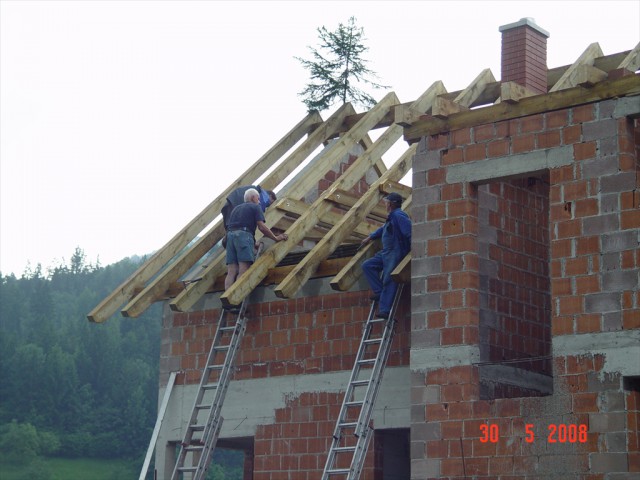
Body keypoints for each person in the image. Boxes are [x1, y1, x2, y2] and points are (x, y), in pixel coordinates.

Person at [224, 188, 288, 310]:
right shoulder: (255, 207)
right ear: (254, 198)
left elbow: (237, 228)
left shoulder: (236, 209)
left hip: (230, 237)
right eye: (258, 198)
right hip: (243, 235)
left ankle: (227, 302)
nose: (259, 200)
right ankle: (236, 299)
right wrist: (275, 238)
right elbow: (261, 227)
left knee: (231, 271)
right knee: (244, 269)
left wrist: (252, 243)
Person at [360, 192, 411, 319]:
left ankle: (385, 309)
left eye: (387, 202)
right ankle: (379, 292)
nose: (385, 204)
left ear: (391, 204)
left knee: (389, 278)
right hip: (386, 252)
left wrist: (413, 251)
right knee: (368, 265)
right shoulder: (392, 216)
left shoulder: (399, 215)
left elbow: (409, 232)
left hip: (395, 252)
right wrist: (370, 237)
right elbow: (384, 229)